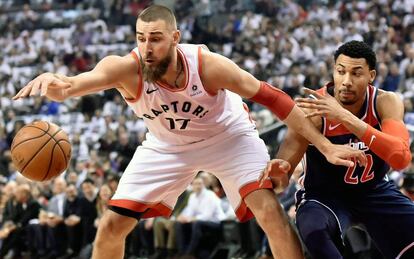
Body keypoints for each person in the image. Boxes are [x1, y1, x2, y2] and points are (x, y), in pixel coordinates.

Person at [13, 5, 364, 259]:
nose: (147, 48)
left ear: (175, 38)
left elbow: (276, 99)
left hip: (228, 138)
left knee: (269, 211)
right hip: (167, 146)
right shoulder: (126, 68)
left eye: (156, 39)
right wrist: (61, 87)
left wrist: (323, 145)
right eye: (140, 39)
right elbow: (78, 82)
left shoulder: (208, 66)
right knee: (111, 226)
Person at [261, 41, 414, 259]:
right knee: (314, 230)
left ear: (371, 76)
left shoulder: (385, 102)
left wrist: (345, 118)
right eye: (341, 72)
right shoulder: (312, 109)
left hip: (375, 191)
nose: (347, 81)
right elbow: (283, 176)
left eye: (356, 73)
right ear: (333, 71)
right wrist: (278, 174)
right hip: (325, 196)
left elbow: (400, 159)